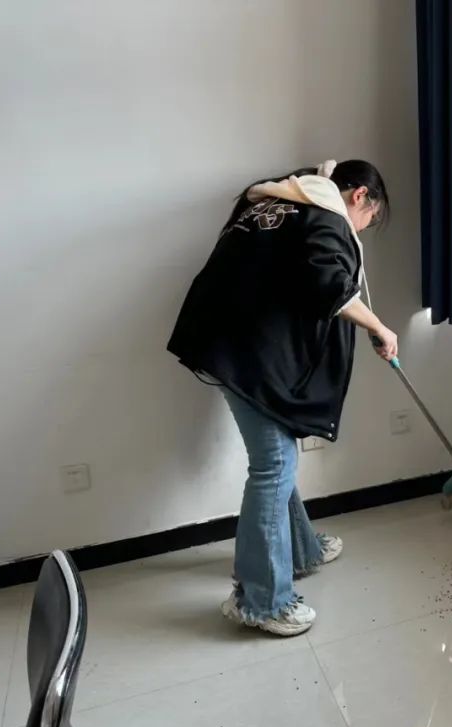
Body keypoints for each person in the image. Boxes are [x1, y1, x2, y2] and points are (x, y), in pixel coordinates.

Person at [167, 159, 397, 636]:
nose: (362, 227)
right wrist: (378, 326)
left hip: (228, 339)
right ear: (359, 196)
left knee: (279, 454)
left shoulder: (282, 201)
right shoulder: (324, 215)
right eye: (369, 218)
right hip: (242, 349)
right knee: (274, 463)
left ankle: (299, 550)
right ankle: (260, 600)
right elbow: (328, 284)